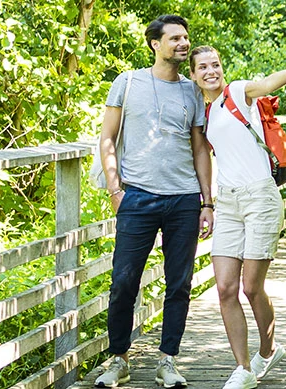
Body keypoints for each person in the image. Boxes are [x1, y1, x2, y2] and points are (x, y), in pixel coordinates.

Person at [188, 46, 286, 389]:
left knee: (251, 287)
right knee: (225, 287)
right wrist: (209, 204)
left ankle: (268, 349)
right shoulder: (204, 112)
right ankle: (243, 368)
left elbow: (265, 84)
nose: (211, 71)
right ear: (193, 75)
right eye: (202, 67)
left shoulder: (236, 92)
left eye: (215, 64)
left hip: (259, 196)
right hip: (228, 202)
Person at [93, 14, 214, 388]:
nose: (182, 44)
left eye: (185, 38)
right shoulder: (127, 83)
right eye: (175, 38)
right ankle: (118, 359)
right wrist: (116, 190)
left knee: (179, 283)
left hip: (183, 200)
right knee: (123, 281)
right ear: (155, 44)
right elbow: (107, 138)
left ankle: (168, 361)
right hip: (138, 196)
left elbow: (199, 149)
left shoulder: (192, 92)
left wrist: (207, 202)